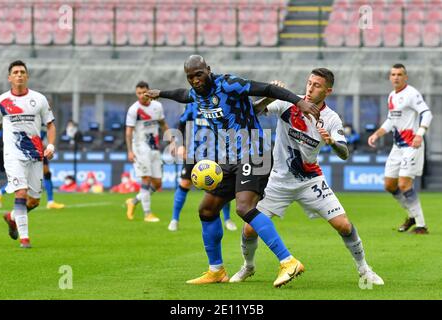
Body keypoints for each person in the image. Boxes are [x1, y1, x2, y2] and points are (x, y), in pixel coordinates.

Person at [145, 55, 320, 287]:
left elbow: (267, 88)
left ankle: (288, 261)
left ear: (208, 70)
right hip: (228, 158)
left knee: (244, 207)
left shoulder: (228, 84)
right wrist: (161, 93)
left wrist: (300, 102)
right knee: (207, 209)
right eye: (190, 77)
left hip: (254, 152)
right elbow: (182, 94)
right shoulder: (196, 94)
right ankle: (216, 270)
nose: (195, 80)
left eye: (199, 74)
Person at [229, 69, 384, 286]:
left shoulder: (331, 118)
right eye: (309, 83)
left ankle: (364, 269)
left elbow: (344, 153)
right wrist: (270, 96)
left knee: (344, 225)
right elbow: (254, 111)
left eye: (317, 85)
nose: (310, 88)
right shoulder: (288, 102)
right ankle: (248, 266)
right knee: (249, 228)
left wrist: (331, 143)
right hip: (278, 181)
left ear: (328, 91)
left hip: (310, 181)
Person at [0, 60, 56, 249]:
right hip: (12, 154)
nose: (19, 75)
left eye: (22, 72)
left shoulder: (39, 99)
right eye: (16, 72)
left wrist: (51, 145)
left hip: (36, 154)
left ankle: (12, 217)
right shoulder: (1, 101)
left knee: (34, 200)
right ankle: (25, 239)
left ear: (27, 76)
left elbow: (50, 124)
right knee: (20, 191)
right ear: (9, 77)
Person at [368, 63, 433, 234]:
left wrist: (420, 133)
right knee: (390, 185)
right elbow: (391, 121)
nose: (396, 77)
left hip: (412, 144)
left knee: (404, 184)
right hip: (397, 147)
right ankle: (411, 215)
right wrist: (377, 134)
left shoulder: (412, 93)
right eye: (393, 74)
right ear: (390, 77)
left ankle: (421, 225)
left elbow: (427, 113)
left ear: (406, 77)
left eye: (399, 74)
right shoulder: (391, 96)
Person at [168, 101, 237, 232]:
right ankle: (174, 219)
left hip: (216, 153)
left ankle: (227, 219)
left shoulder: (220, 103)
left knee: (221, 187)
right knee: (184, 183)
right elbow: (181, 124)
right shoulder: (192, 104)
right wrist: (180, 144)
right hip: (194, 152)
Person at [125, 81, 169, 222]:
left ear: (149, 91)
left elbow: (163, 123)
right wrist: (130, 151)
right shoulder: (134, 109)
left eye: (143, 92)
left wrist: (172, 140)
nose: (141, 95)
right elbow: (128, 132)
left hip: (154, 147)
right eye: (138, 93)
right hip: (140, 147)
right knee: (146, 179)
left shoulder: (157, 106)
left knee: (157, 183)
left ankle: (133, 201)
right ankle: (147, 213)